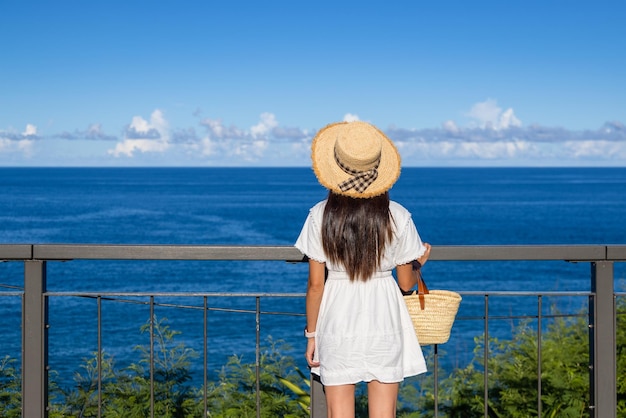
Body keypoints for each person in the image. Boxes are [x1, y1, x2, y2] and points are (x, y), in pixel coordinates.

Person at [295, 120, 432, 418]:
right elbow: (407, 285)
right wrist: (418, 262)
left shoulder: (320, 216)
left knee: (338, 414)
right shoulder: (398, 216)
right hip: (384, 314)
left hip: (337, 315)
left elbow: (316, 286)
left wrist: (312, 335)